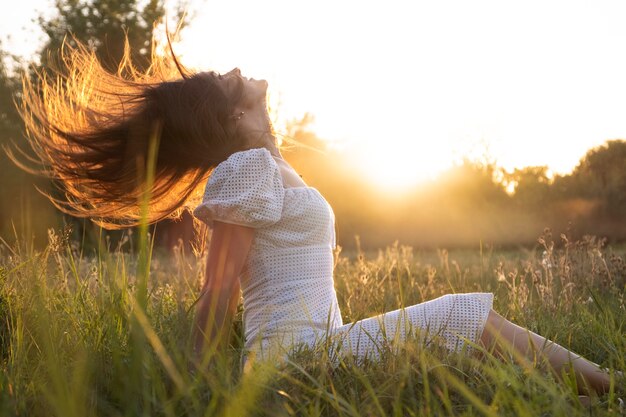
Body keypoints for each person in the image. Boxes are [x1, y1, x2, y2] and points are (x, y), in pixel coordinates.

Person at [18, 43, 618, 397]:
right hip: (295, 359)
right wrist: (202, 392)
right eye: (230, 81)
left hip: (320, 349)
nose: (241, 72)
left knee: (460, 333)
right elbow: (218, 291)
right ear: (230, 118)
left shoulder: (271, 164)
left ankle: (587, 392)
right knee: (468, 312)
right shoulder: (247, 167)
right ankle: (611, 388)